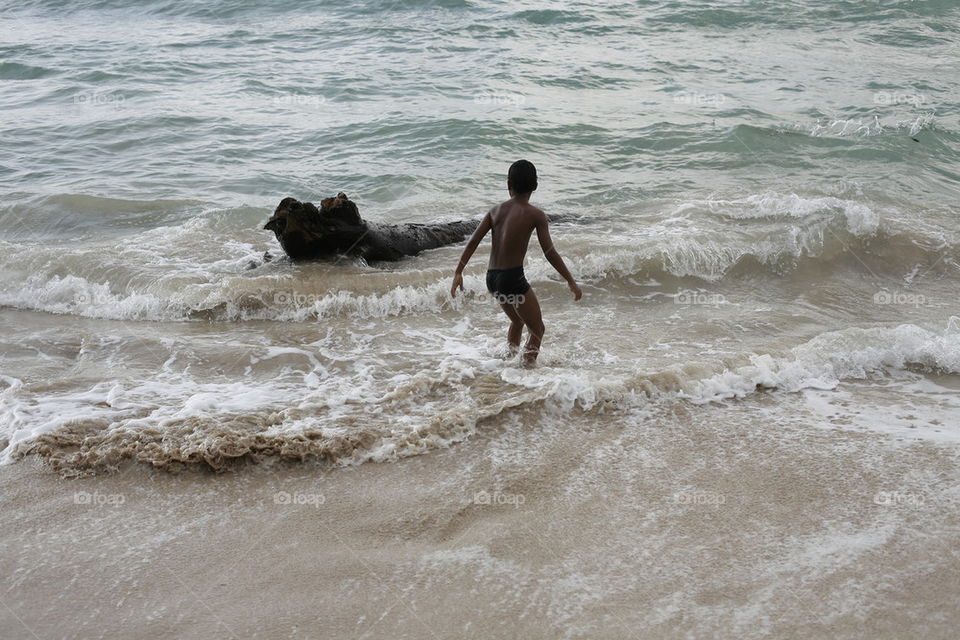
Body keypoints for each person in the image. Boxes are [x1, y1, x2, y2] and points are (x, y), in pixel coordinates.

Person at [450, 160, 582, 366]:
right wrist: (570, 280)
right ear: (535, 186)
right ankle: (525, 371)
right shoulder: (536, 214)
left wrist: (459, 271)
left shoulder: (495, 211)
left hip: (492, 279)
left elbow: (473, 241)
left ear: (508, 184)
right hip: (512, 279)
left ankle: (508, 366)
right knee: (537, 329)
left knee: (517, 321)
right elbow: (549, 252)